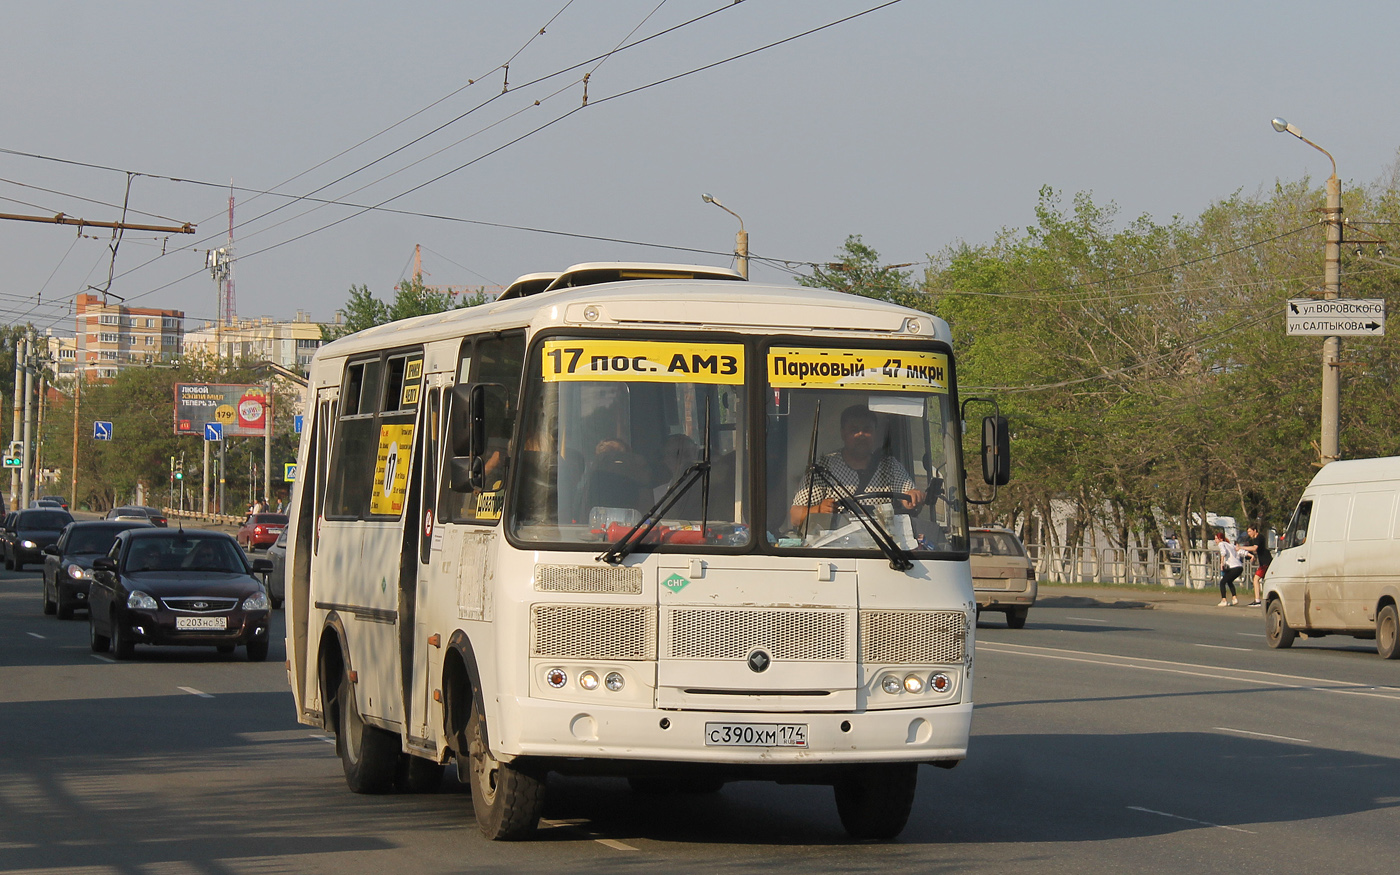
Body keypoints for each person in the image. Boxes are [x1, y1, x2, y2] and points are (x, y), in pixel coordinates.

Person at [790, 404, 925, 529]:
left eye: (867, 430)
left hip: (883, 546)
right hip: (834, 549)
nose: (861, 435)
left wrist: (913, 497)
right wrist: (818, 510)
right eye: (854, 430)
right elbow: (795, 516)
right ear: (843, 433)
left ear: (875, 433)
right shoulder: (823, 467)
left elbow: (908, 496)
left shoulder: (889, 466)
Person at [1236, 523, 1272, 607]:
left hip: (1265, 562)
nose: (1248, 533)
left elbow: (1254, 548)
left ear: (1254, 531)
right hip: (1263, 562)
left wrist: (1241, 547)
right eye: (1248, 532)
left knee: (1255, 579)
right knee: (1265, 580)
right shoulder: (1255, 539)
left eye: (1249, 531)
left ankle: (1257, 600)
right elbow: (1255, 550)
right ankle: (1263, 599)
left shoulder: (1259, 537)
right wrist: (1251, 555)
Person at [1214, 530, 1243, 606]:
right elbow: (1239, 551)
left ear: (1221, 539)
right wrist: (1250, 555)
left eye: (1216, 539)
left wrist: (1221, 563)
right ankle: (1234, 598)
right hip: (1239, 567)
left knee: (1222, 582)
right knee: (1229, 581)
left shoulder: (1221, 544)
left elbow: (1223, 552)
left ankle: (1224, 600)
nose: (1215, 540)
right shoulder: (1230, 545)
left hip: (1233, 567)